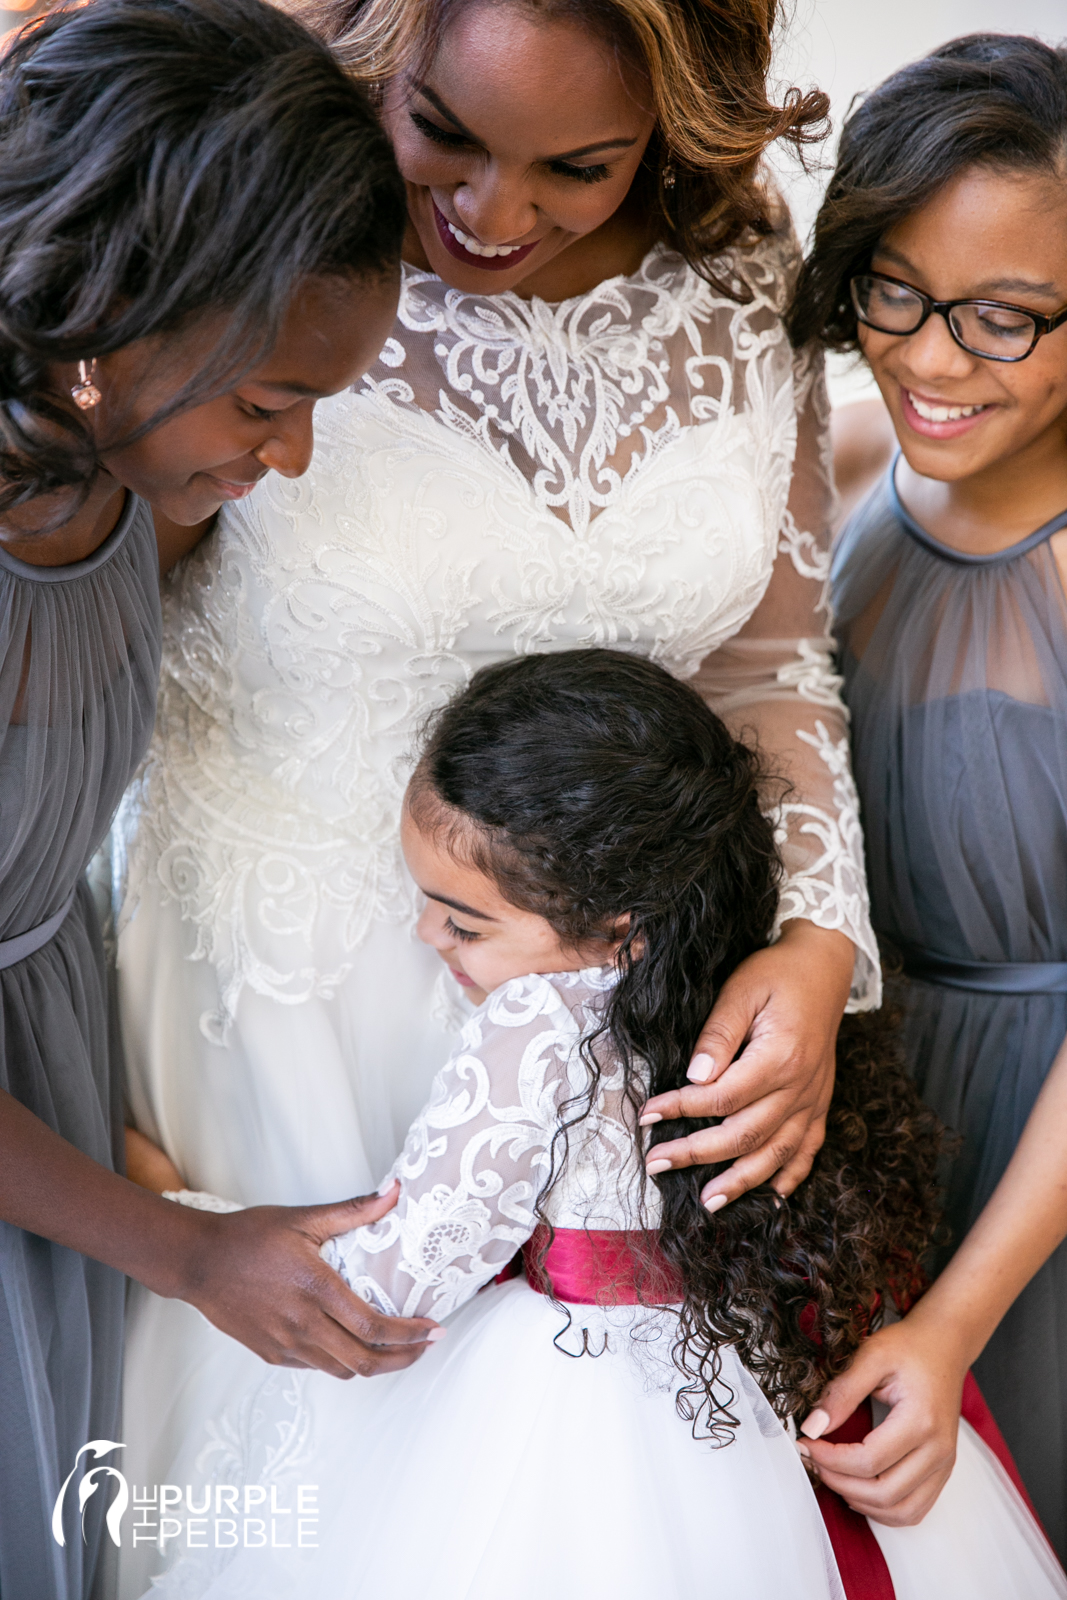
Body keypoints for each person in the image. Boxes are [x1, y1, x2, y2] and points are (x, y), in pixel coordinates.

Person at [113, 4, 881, 1584]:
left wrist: (811, 946)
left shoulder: (743, 277)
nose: (490, 212)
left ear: (674, 128)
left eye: (576, 167)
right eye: (443, 134)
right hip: (269, 999)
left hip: (613, 998)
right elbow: (98, 578)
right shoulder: (257, 219)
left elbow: (766, 667)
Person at [136, 649, 1064, 1599]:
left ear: (620, 926)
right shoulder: (746, 988)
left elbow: (398, 1280)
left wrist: (193, 1212)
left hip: (561, 1419)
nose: (426, 940)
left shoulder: (533, 1024)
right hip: (738, 1382)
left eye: (462, 924)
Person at [0, 2, 441, 1594]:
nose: (299, 455)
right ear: (108, 321)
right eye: (268, 403)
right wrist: (187, 1251)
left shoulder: (125, 494)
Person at [788, 31, 1067, 1562]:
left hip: (1038, 1153)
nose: (927, 356)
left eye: (1002, 319)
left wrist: (961, 1313)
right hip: (869, 1106)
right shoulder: (838, 470)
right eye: (889, 290)